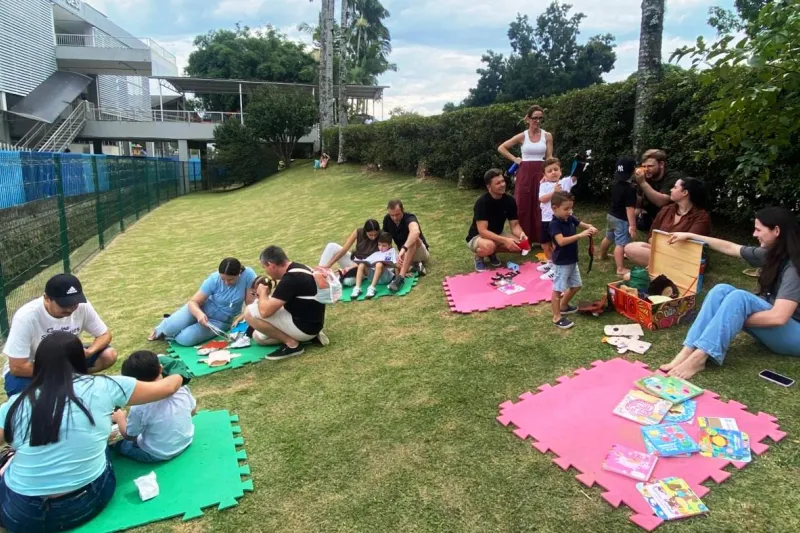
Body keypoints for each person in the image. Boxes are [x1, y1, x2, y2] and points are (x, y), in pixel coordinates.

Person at [0, 332, 183, 533]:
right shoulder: (106, 385)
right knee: (100, 443)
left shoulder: (14, 404)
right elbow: (166, 388)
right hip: (90, 498)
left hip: (23, 515)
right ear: (81, 359)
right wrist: (177, 373)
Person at [661, 207, 800, 380]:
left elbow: (779, 317)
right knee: (721, 290)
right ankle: (688, 350)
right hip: (779, 323)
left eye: (758, 229)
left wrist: (731, 317)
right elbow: (731, 247)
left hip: (795, 335)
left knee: (738, 298)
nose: (754, 234)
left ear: (776, 230)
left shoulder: (794, 267)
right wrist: (691, 236)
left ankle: (699, 358)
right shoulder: (773, 253)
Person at [2, 274, 118, 397]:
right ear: (47, 298)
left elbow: (104, 334)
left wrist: (89, 352)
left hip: (65, 360)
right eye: (64, 304)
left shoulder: (83, 306)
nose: (71, 309)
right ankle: (67, 379)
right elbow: (17, 367)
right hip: (33, 365)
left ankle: (74, 379)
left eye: (75, 303)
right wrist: (59, 372)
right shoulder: (26, 317)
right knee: (23, 397)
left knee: (108, 355)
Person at [244, 246, 329, 360]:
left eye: (264, 267)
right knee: (259, 337)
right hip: (313, 324)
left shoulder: (290, 279)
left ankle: (292, 345)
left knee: (249, 312)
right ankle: (310, 338)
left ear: (272, 265)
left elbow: (265, 312)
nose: (265, 271)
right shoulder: (300, 267)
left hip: (304, 327)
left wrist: (262, 293)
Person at [111, 351, 197, 463]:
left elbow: (130, 436)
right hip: (186, 440)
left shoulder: (139, 406)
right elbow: (193, 411)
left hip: (157, 454)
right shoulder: (181, 388)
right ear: (161, 368)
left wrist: (120, 418)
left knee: (121, 444)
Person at [149, 258, 257, 346]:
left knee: (184, 339)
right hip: (200, 309)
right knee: (168, 328)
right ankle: (167, 326)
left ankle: (175, 330)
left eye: (230, 279)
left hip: (220, 321)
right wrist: (199, 314)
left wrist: (241, 318)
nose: (226, 282)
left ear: (239, 273)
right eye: (223, 279)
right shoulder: (214, 279)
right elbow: (193, 302)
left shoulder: (248, 275)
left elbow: (250, 305)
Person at [624, 178, 712, 268]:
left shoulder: (701, 217)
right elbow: (651, 236)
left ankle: (666, 267)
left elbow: (690, 246)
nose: (671, 190)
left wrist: (662, 246)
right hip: (662, 251)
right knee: (630, 248)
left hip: (684, 257)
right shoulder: (667, 209)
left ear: (685, 193)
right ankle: (666, 267)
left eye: (674, 187)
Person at [498, 105, 554, 243]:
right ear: (528, 119)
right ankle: (524, 238)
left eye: (540, 118)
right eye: (535, 118)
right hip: (525, 173)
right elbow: (502, 147)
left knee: (541, 204)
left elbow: (549, 157)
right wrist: (515, 159)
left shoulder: (547, 136)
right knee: (523, 204)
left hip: (541, 172)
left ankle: (543, 238)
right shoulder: (523, 136)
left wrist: (551, 173)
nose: (538, 121)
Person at [549, 192, 598, 330]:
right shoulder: (554, 224)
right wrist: (580, 235)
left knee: (576, 285)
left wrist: (590, 227)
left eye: (571, 208)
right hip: (561, 262)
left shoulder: (570, 218)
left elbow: (583, 224)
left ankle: (563, 306)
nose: (569, 212)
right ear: (554, 208)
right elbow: (561, 241)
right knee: (558, 290)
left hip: (572, 260)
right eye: (565, 209)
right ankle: (556, 317)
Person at [466, 169, 528, 272]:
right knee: (489, 246)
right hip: (477, 237)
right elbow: (483, 231)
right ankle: (479, 255)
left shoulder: (510, 200)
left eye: (503, 181)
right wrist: (505, 240)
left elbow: (515, 225)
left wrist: (522, 234)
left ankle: (491, 252)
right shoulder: (482, 202)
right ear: (489, 187)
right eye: (498, 183)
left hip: (497, 234)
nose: (502, 184)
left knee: (522, 246)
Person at [537, 157, 578, 280]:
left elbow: (575, 176)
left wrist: (580, 163)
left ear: (561, 171)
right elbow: (542, 199)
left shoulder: (565, 182)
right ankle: (550, 263)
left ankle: (556, 268)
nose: (553, 172)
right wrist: (553, 192)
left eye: (556, 169)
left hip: (560, 220)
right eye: (549, 171)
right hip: (546, 219)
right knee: (545, 244)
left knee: (556, 245)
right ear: (544, 174)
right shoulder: (543, 185)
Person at [598, 156, 639, 276]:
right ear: (633, 171)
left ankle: (602, 255)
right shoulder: (630, 189)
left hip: (611, 215)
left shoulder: (615, 184)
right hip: (621, 219)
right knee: (621, 243)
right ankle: (620, 268)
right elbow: (629, 208)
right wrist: (632, 225)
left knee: (609, 237)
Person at [383, 199, 430, 292]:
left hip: (420, 252)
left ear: (403, 210)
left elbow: (415, 232)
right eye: (392, 215)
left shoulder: (409, 217)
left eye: (397, 214)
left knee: (414, 238)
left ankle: (400, 278)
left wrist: (404, 248)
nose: (395, 218)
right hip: (404, 255)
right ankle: (415, 267)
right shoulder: (387, 220)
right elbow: (385, 239)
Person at [634, 149, 683, 232]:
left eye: (650, 166)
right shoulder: (644, 175)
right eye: (644, 166)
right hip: (652, 213)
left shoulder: (673, 177)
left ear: (661, 164)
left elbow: (661, 202)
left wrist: (643, 183)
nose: (646, 169)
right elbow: (639, 201)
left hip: (672, 215)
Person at [318, 219, 382, 283]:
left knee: (348, 281)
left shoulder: (382, 236)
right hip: (355, 261)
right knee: (331, 246)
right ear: (365, 231)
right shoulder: (358, 232)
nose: (373, 237)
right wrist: (328, 265)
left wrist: (351, 267)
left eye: (375, 235)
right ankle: (319, 274)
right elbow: (344, 250)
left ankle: (331, 279)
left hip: (366, 269)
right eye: (370, 235)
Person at [351, 232, 397, 300]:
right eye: (379, 245)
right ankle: (357, 288)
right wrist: (349, 267)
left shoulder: (392, 251)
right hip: (374, 276)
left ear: (389, 245)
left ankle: (372, 288)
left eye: (384, 246)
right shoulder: (376, 253)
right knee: (361, 264)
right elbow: (366, 261)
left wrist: (399, 276)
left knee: (379, 264)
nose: (381, 247)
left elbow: (397, 265)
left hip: (386, 277)